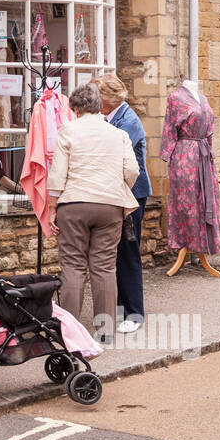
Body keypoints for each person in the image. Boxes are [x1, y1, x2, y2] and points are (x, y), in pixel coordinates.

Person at [46, 82, 139, 343]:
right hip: (110, 207)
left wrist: (52, 208)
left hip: (73, 204)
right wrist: (116, 189)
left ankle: (69, 332)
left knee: (73, 267)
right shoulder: (117, 134)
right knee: (105, 267)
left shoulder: (68, 130)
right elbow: (132, 170)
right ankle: (105, 330)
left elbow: (58, 174)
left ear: (75, 109)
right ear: (99, 107)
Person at [93, 74, 150, 336]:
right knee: (112, 252)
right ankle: (118, 307)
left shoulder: (128, 121)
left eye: (96, 95)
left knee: (128, 251)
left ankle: (134, 313)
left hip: (132, 195)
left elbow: (113, 156)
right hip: (114, 193)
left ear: (106, 99)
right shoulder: (109, 117)